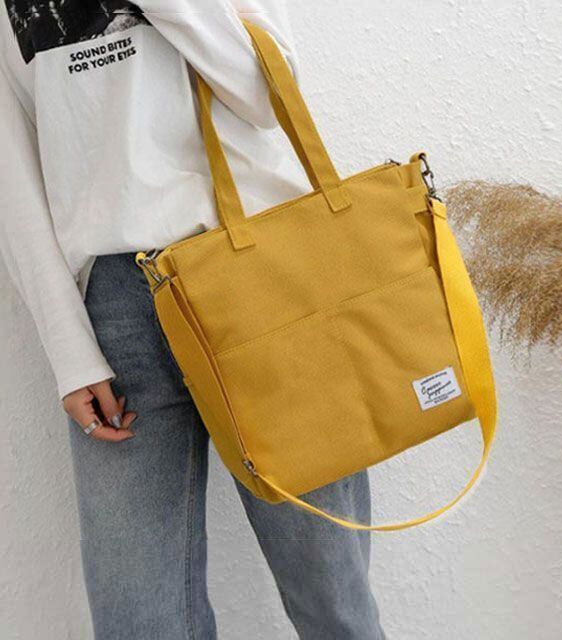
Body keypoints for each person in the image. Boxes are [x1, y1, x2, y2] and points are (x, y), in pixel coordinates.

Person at [0, 2, 386, 638]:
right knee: (138, 621)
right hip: (116, 310)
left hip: (260, 278)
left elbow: (267, 93)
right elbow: (12, 171)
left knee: (332, 596)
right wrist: (67, 348)